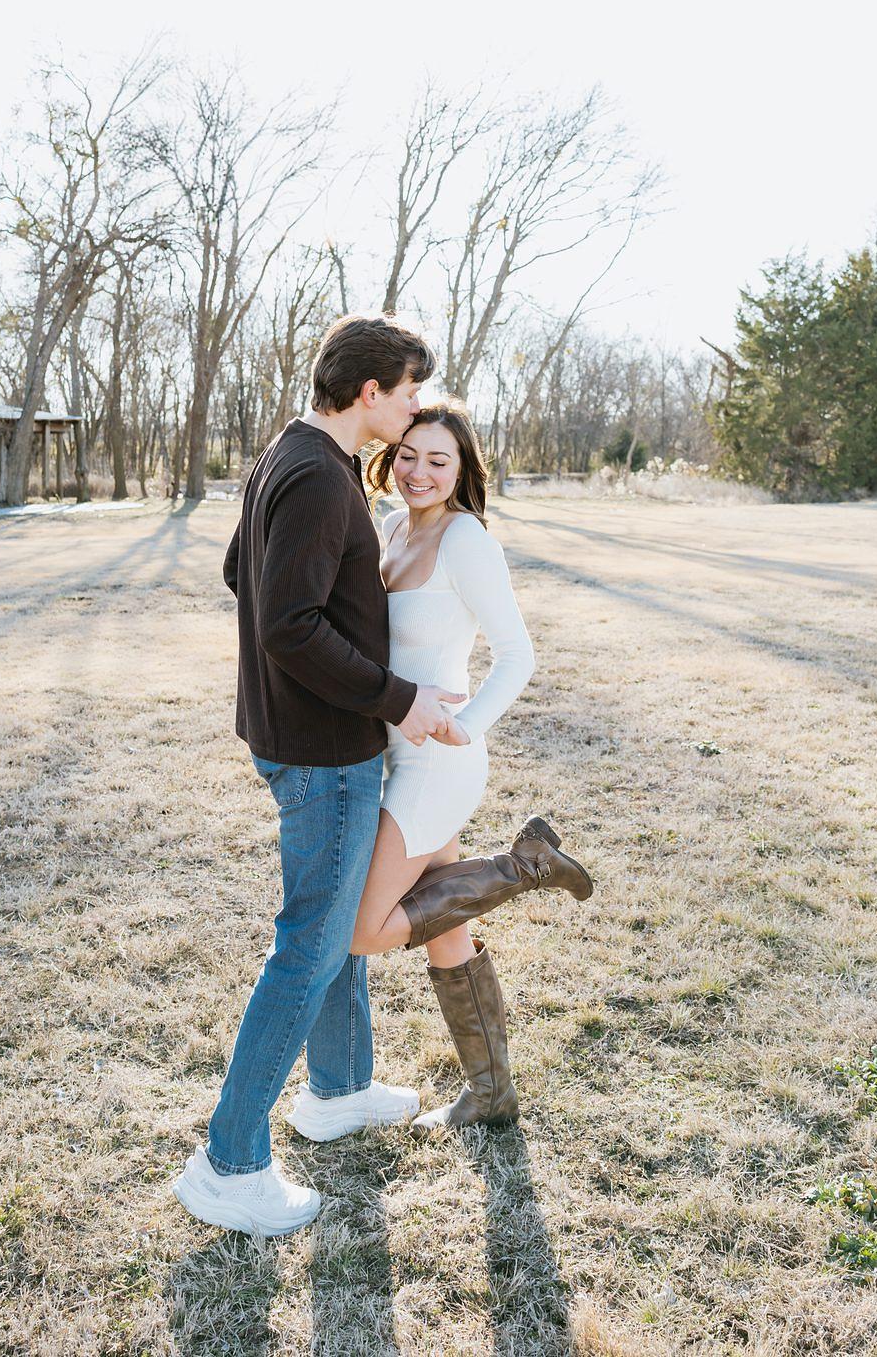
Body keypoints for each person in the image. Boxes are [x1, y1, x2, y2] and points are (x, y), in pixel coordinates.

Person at [170, 314, 469, 1237]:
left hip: (299, 735)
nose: (417, 405)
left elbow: (239, 570)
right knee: (309, 944)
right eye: (410, 389)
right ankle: (229, 1162)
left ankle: (337, 1090)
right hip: (323, 751)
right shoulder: (314, 474)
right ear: (371, 391)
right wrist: (396, 697)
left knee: (335, 923)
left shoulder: (295, 459)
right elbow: (285, 624)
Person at [345, 401, 594, 1131]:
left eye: (439, 460)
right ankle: (492, 1096)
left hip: (437, 764)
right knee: (446, 926)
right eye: (410, 455)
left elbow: (518, 654)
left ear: (462, 472)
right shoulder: (394, 528)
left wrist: (467, 725)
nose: (419, 471)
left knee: (367, 927)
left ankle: (526, 867)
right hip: (393, 752)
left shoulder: (465, 540)